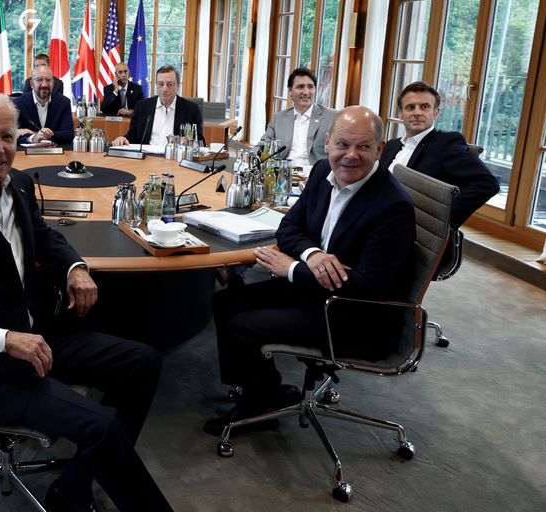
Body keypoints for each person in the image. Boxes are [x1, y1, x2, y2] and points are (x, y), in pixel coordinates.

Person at [0, 91, 173, 512]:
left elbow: (43, 235)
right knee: (102, 425)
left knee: (143, 362)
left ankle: (71, 489)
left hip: (35, 336)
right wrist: (4, 339)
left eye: (7, 136)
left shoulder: (17, 183)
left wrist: (75, 267)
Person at [205, 106, 416, 437]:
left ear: (379, 148)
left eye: (363, 147)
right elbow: (289, 227)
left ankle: (260, 406)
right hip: (318, 290)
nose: (350, 155)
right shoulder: (322, 172)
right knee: (225, 301)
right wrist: (313, 254)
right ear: (328, 142)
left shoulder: (393, 206)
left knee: (243, 325)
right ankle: (260, 389)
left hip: (353, 314)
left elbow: (367, 287)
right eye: (342, 144)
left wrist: (292, 269)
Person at [381, 81, 498, 227]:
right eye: (410, 107)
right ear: (401, 114)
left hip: (407, 227)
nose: (417, 113)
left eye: (424, 107)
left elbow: (487, 183)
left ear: (436, 113)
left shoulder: (446, 144)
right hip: (378, 216)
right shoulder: (391, 145)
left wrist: (442, 219)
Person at [260, 67, 335, 171]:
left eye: (310, 87)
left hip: (316, 174)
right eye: (300, 87)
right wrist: (247, 159)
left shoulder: (332, 117)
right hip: (284, 173)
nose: (306, 92)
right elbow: (262, 145)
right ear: (290, 91)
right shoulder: (279, 118)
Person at [111, 64, 203, 147]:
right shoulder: (142, 107)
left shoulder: (191, 109)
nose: (164, 89)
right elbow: (132, 136)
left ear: (178, 86)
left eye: (170, 84)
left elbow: (199, 142)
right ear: (156, 85)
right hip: (147, 157)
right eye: (161, 84)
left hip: (175, 158)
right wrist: (124, 139)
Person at [14, 64, 75, 145]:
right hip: (27, 152)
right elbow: (13, 135)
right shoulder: (18, 103)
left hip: (55, 151)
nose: (44, 84)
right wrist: (33, 138)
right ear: (31, 84)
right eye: (39, 80)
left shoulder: (64, 103)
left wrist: (36, 134)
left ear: (53, 83)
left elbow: (69, 135)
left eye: (48, 80)